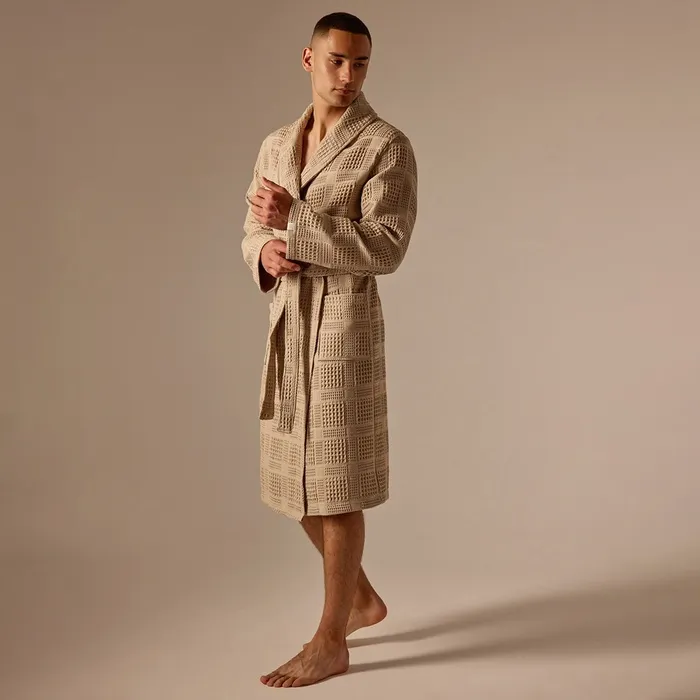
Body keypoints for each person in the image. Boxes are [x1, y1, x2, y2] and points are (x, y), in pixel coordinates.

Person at [242, 11, 418, 688]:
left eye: (361, 63)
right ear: (309, 59)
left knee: (337, 484)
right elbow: (251, 229)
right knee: (296, 482)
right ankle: (362, 600)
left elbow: (388, 246)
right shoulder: (275, 145)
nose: (349, 75)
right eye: (337, 60)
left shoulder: (386, 146)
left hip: (344, 330)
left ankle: (330, 638)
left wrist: (298, 220)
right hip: (289, 327)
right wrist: (266, 252)